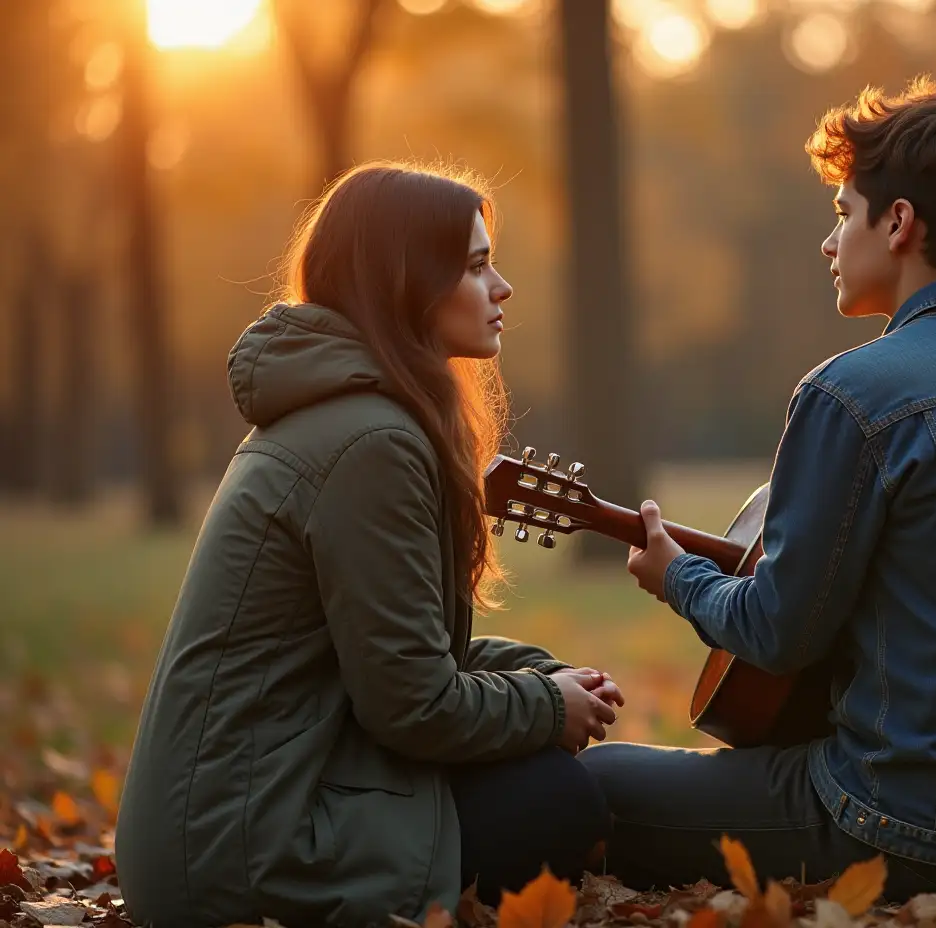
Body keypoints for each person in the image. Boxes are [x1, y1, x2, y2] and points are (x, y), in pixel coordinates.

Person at [583, 77, 936, 904]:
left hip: (904, 826)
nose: (830, 241)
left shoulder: (853, 393)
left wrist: (677, 576)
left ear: (899, 222)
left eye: (844, 212)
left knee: (592, 784)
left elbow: (778, 634)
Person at [115, 163, 623, 928]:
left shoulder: (353, 419)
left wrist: (543, 679)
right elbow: (412, 705)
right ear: (406, 282)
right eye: (478, 265)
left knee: (546, 774)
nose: (503, 287)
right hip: (245, 853)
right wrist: (547, 707)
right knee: (558, 799)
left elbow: (393, 656)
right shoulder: (370, 444)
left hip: (238, 819)